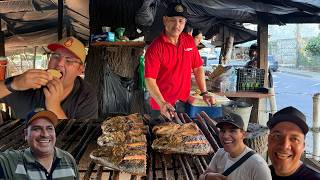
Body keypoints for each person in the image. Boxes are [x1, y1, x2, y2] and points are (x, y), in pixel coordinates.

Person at [145, 2, 215, 120]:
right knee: (160, 136)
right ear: (165, 20)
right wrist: (162, 103)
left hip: (182, 102)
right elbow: (149, 80)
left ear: (185, 23)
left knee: (182, 135)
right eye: (173, 20)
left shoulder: (189, 41)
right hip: (161, 105)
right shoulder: (155, 48)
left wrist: (204, 93)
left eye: (181, 20)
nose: (177, 25)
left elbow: (197, 67)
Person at [0, 36, 98, 119]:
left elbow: (79, 136)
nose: (59, 63)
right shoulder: (28, 81)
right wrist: (14, 84)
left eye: (69, 60)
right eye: (56, 56)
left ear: (80, 69)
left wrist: (54, 107)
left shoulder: (85, 95)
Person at [0, 109, 79, 179]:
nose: (45, 134)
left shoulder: (68, 159)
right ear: (26, 134)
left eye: (49, 128)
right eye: (37, 128)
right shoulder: (11, 161)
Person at [199, 113, 272, 180]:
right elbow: (202, 177)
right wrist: (207, 177)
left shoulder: (258, 165)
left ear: (243, 134)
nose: (225, 136)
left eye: (232, 131)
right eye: (223, 131)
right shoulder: (220, 153)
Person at [267, 106, 320, 179]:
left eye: (294, 139)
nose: (285, 145)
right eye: (277, 136)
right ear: (268, 140)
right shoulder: (259, 174)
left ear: (303, 146)